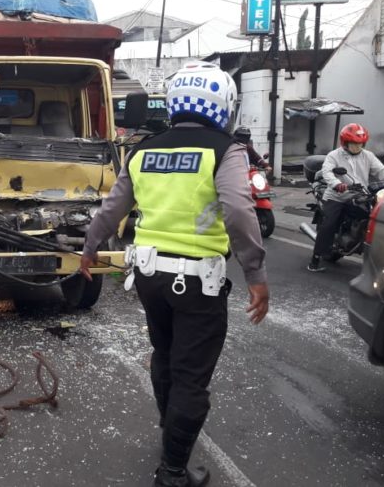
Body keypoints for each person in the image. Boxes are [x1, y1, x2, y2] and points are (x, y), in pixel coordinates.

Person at [80, 62, 269, 487]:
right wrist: (255, 273)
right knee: (191, 377)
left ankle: (172, 433)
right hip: (198, 282)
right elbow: (240, 211)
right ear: (224, 107)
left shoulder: (144, 149)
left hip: (149, 277)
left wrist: (89, 248)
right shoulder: (226, 150)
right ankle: (172, 473)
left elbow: (113, 208)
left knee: (164, 356)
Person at [307, 123, 384, 272]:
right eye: (353, 144)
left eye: (360, 144)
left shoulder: (368, 155)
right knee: (329, 224)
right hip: (337, 196)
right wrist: (336, 184)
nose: (357, 147)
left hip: (360, 194)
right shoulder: (334, 156)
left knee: (375, 216)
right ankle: (315, 259)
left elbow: (381, 170)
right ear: (344, 143)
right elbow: (327, 172)